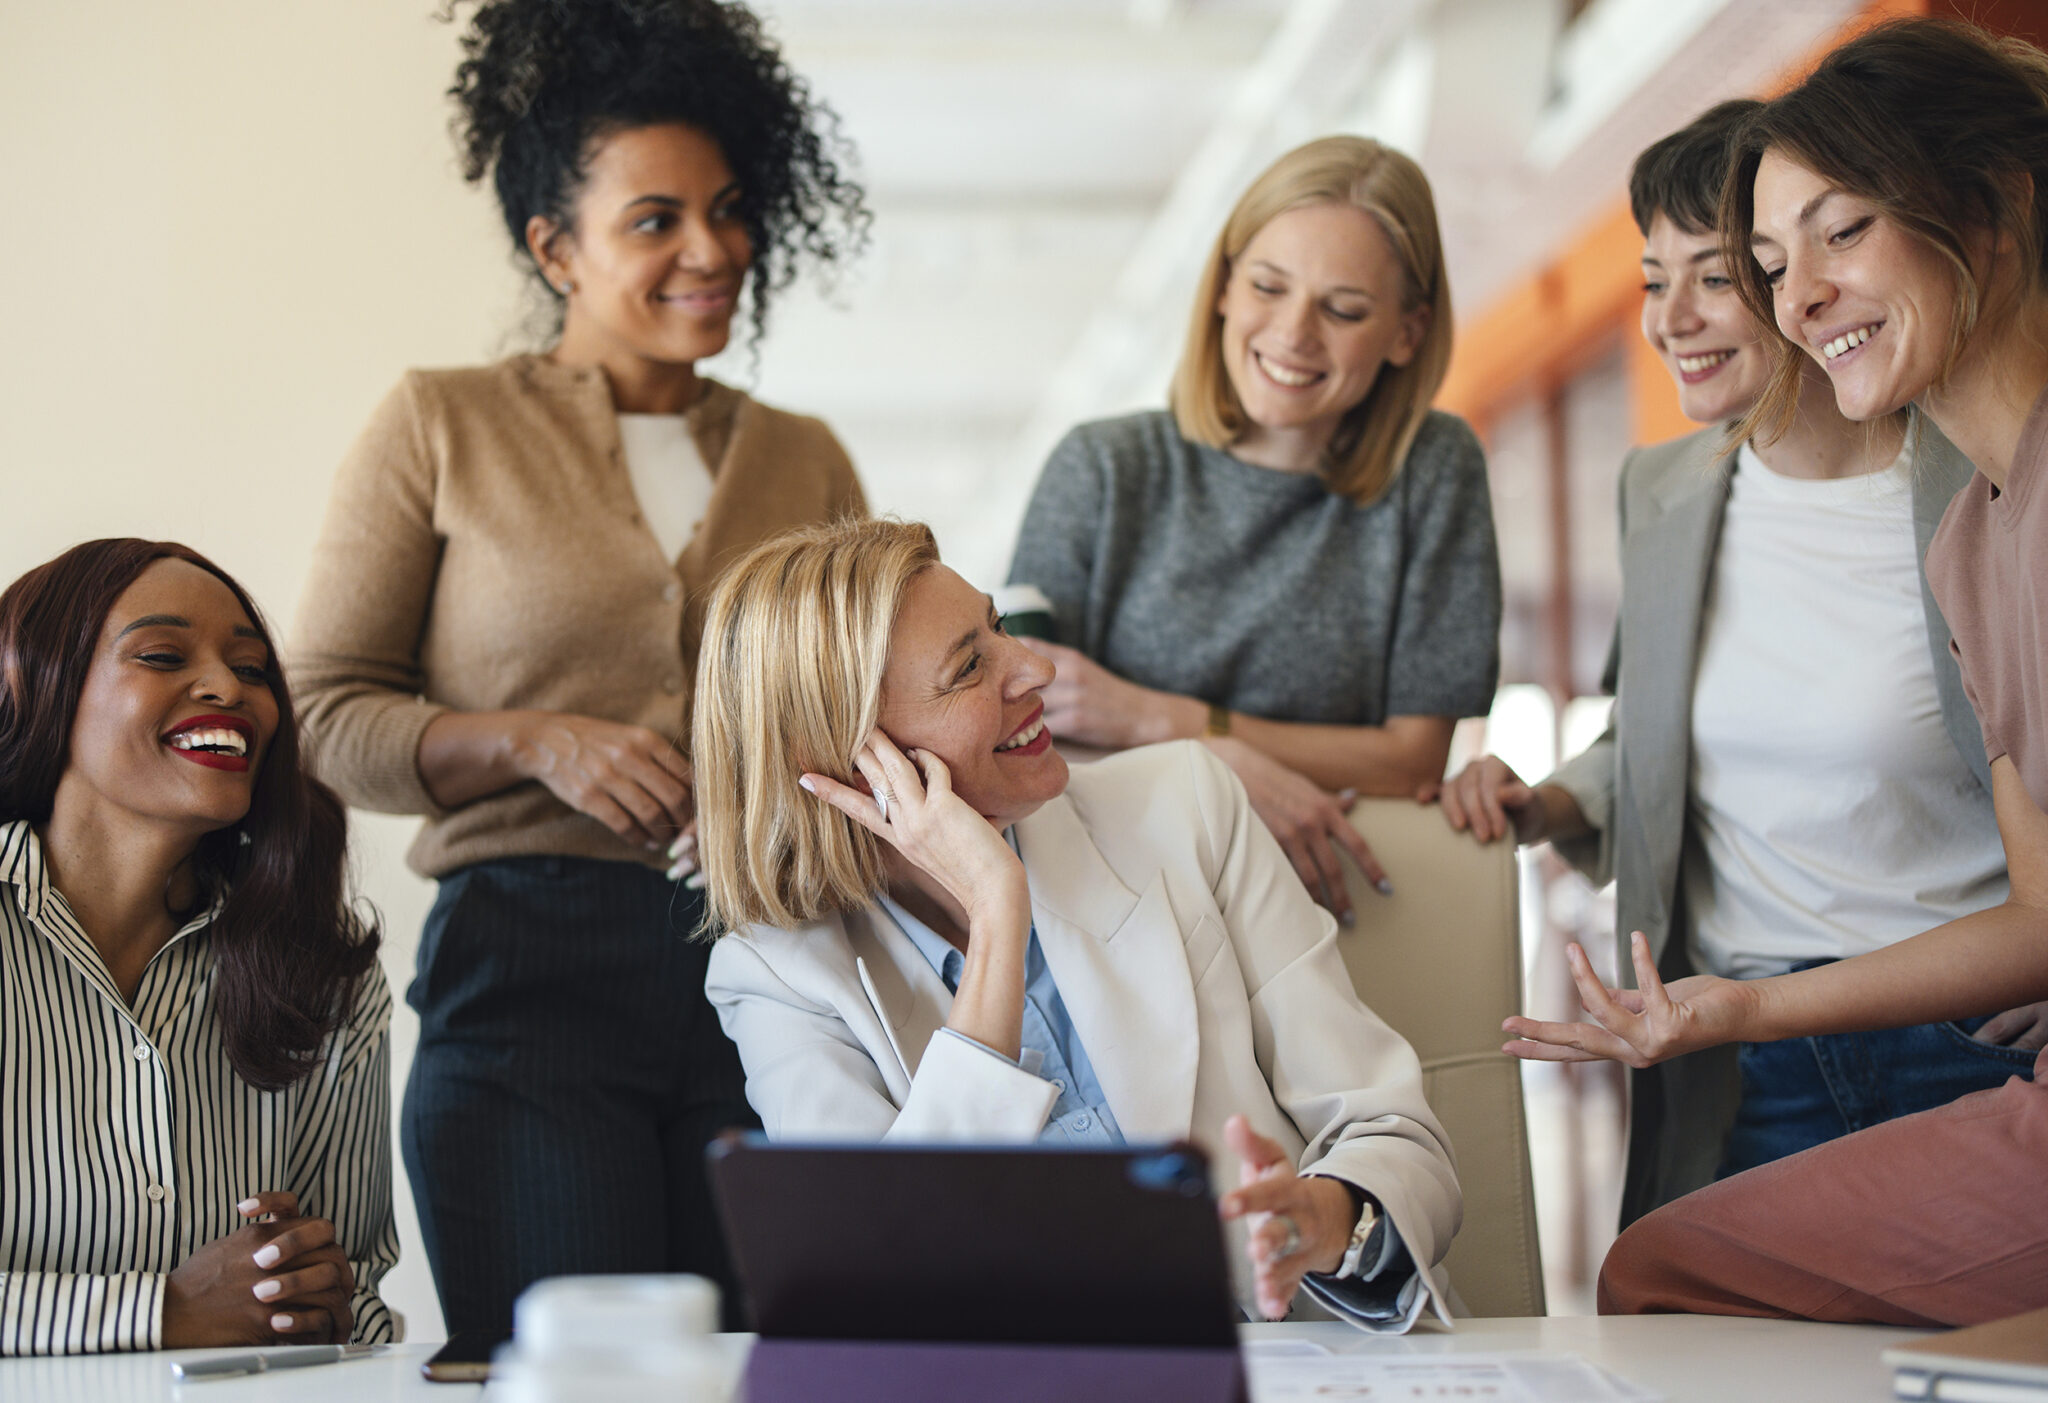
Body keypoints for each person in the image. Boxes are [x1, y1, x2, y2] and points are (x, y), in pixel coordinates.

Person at [291, 0, 868, 1335]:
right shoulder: (444, 423)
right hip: (529, 974)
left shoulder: (809, 457)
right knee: (579, 1373)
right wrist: (536, 737)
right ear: (555, 244)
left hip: (777, 965)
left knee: (780, 1366)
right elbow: (321, 712)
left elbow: (861, 708)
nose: (712, 250)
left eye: (728, 210)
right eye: (654, 220)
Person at [1503, 19, 2048, 1326]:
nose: (1790, 296)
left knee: (1663, 1275)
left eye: (1842, 231)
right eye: (1770, 258)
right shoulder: (1983, 530)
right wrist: (1737, 1001)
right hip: (1781, 1028)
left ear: (1996, 212)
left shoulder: (1958, 509)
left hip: (1962, 1051)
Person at [693, 518, 1462, 1332]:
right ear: (859, 765)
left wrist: (1328, 1219)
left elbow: (1397, 1135)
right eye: (969, 667)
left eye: (998, 629)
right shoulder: (777, 975)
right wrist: (996, 915)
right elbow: (881, 1286)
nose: (1038, 668)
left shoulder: (1186, 804)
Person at [1006, 136, 1500, 924]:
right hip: (1121, 907)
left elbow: (1413, 756)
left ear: (1407, 333)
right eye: (1270, 285)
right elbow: (1023, 738)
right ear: (1225, 287)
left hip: (1331, 911)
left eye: (1343, 309)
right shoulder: (1101, 468)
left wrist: (1164, 722)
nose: (1295, 333)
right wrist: (1214, 762)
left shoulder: (1433, 469)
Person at [0, 540, 395, 1355]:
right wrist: (164, 1313)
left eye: (252, 669)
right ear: (41, 682)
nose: (227, 688)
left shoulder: (325, 972)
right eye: (161, 654)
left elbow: (352, 1303)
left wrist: (315, 1298)